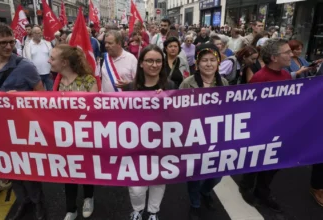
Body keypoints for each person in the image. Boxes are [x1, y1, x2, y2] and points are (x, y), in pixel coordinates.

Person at [0, 23, 45, 220]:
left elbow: (43, 97)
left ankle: (38, 203)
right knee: (10, 169)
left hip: (23, 129)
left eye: (11, 42)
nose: (9, 46)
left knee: (28, 169)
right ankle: (23, 201)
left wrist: (21, 97)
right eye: (3, 43)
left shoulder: (25, 66)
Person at [240, 38, 293, 213]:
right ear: (274, 58)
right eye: (287, 52)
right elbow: (251, 108)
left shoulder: (286, 75)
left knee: (273, 164)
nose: (291, 54)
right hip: (262, 130)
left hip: (281, 128)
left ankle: (263, 191)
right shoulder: (260, 78)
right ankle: (246, 188)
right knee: (256, 162)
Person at [124, 44, 175, 220]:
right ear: (141, 63)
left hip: (161, 144)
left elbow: (180, 118)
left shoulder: (170, 86)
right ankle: (137, 209)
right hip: (135, 146)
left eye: (158, 61)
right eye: (150, 61)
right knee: (136, 186)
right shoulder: (130, 88)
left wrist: (167, 100)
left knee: (159, 181)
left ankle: (153, 211)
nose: (154, 65)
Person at [179, 44, 228, 219]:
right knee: (194, 174)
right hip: (194, 137)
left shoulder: (224, 83)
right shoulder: (188, 83)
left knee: (217, 174)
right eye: (204, 60)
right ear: (197, 64)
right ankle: (195, 204)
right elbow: (178, 108)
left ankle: (206, 192)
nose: (208, 64)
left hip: (217, 136)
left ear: (218, 62)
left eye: (212, 60)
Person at [49, 44, 97, 220]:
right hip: (64, 137)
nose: (49, 61)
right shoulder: (55, 81)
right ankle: (71, 208)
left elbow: (94, 111)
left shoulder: (88, 81)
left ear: (65, 62)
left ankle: (88, 197)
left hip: (85, 136)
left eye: (52, 58)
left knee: (87, 169)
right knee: (68, 172)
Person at [23, 26, 53, 91]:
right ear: (33, 34)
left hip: (48, 73)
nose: (38, 35)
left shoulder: (47, 43)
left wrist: (52, 69)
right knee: (39, 94)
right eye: (36, 33)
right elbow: (26, 60)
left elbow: (52, 57)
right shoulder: (28, 45)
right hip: (36, 74)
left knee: (51, 92)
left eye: (40, 33)